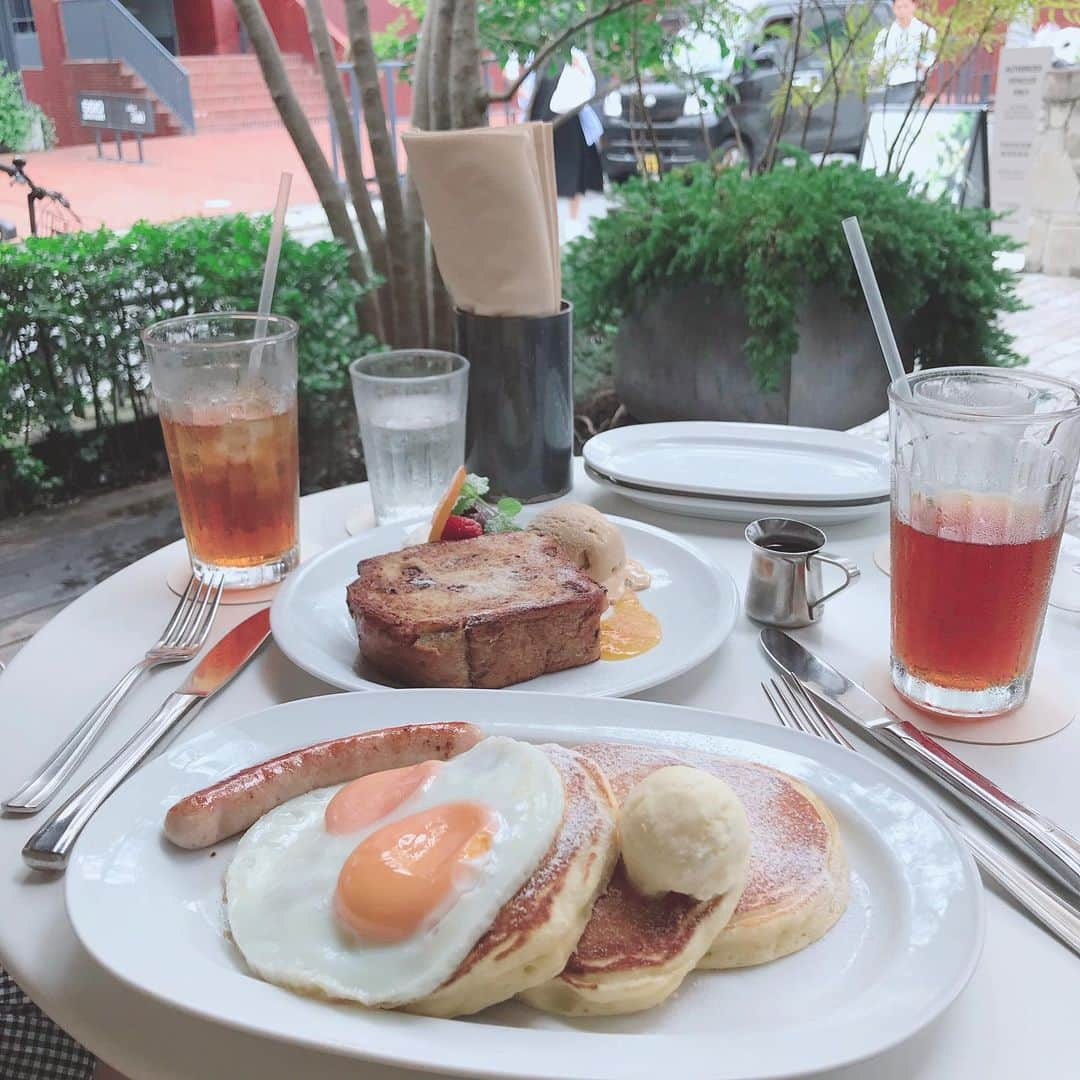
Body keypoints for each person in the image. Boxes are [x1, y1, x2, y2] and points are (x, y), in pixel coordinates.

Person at [527, 48, 605, 224]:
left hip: (563, 117)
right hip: (555, 116)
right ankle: (566, 220)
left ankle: (569, 219)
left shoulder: (569, 54)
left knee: (567, 170)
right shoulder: (544, 54)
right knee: (556, 169)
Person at [871, 0, 938, 106]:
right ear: (893, 8)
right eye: (899, 7)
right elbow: (878, 60)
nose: (902, 10)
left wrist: (922, 65)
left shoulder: (925, 31)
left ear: (914, 6)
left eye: (905, 6)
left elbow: (931, 60)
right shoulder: (885, 34)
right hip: (890, 85)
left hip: (913, 83)